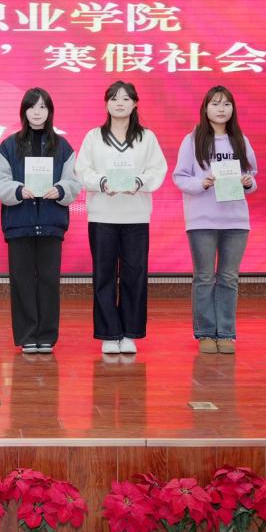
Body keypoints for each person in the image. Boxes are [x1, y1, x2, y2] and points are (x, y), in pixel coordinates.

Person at [75, 80, 167, 355]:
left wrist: (138, 182)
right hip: (102, 215)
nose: (119, 103)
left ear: (135, 103)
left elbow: (157, 169)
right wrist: (102, 182)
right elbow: (82, 170)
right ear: (106, 104)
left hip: (136, 216)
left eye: (126, 99)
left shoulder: (146, 137)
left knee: (134, 275)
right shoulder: (94, 137)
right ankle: (109, 333)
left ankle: (129, 333)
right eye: (114, 98)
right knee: (103, 275)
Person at [0, 88, 81, 354]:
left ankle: (47, 336)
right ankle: (28, 335)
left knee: (49, 280)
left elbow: (74, 182)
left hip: (51, 223)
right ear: (24, 111)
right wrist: (18, 190)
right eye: (32, 107)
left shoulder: (62, 146)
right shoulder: (9, 145)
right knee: (22, 280)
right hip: (20, 223)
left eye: (42, 107)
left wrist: (61, 190)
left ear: (50, 111)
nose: (37, 112)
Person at [171, 85, 257, 355]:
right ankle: (206, 333)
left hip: (236, 221)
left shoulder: (240, 140)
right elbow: (180, 177)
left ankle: (227, 334)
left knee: (229, 277)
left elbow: (252, 176)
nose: (222, 109)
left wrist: (247, 182)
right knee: (205, 277)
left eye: (227, 104)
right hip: (202, 221)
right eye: (216, 104)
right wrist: (202, 182)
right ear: (205, 108)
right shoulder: (192, 140)